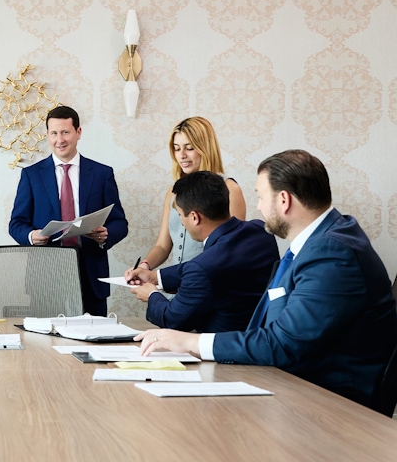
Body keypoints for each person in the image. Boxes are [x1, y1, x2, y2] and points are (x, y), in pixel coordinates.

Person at [135, 150, 397, 409]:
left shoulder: (331, 253)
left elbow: (284, 344)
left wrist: (191, 342)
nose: (258, 206)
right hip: (292, 382)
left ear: (284, 200)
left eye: (260, 196)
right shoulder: (325, 238)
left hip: (328, 402)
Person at [9, 106, 128, 316]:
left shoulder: (102, 174)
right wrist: (31, 236)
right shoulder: (31, 175)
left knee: (91, 340)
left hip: (90, 272)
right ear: (47, 135)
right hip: (46, 273)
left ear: (78, 132)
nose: (59, 140)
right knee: (45, 344)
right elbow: (16, 223)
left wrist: (105, 235)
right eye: (54, 133)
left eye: (65, 132)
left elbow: (120, 223)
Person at [124, 171, 279, 333]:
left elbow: (173, 320)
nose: (181, 222)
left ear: (194, 217)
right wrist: (157, 277)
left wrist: (151, 296)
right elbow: (207, 268)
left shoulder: (203, 267)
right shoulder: (260, 231)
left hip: (220, 350)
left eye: (179, 215)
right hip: (262, 337)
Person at [135, 117, 245, 273]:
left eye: (189, 148)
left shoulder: (229, 188)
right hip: (176, 287)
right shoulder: (173, 192)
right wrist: (144, 266)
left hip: (210, 286)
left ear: (205, 148)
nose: (182, 155)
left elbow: (233, 250)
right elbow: (162, 245)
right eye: (177, 148)